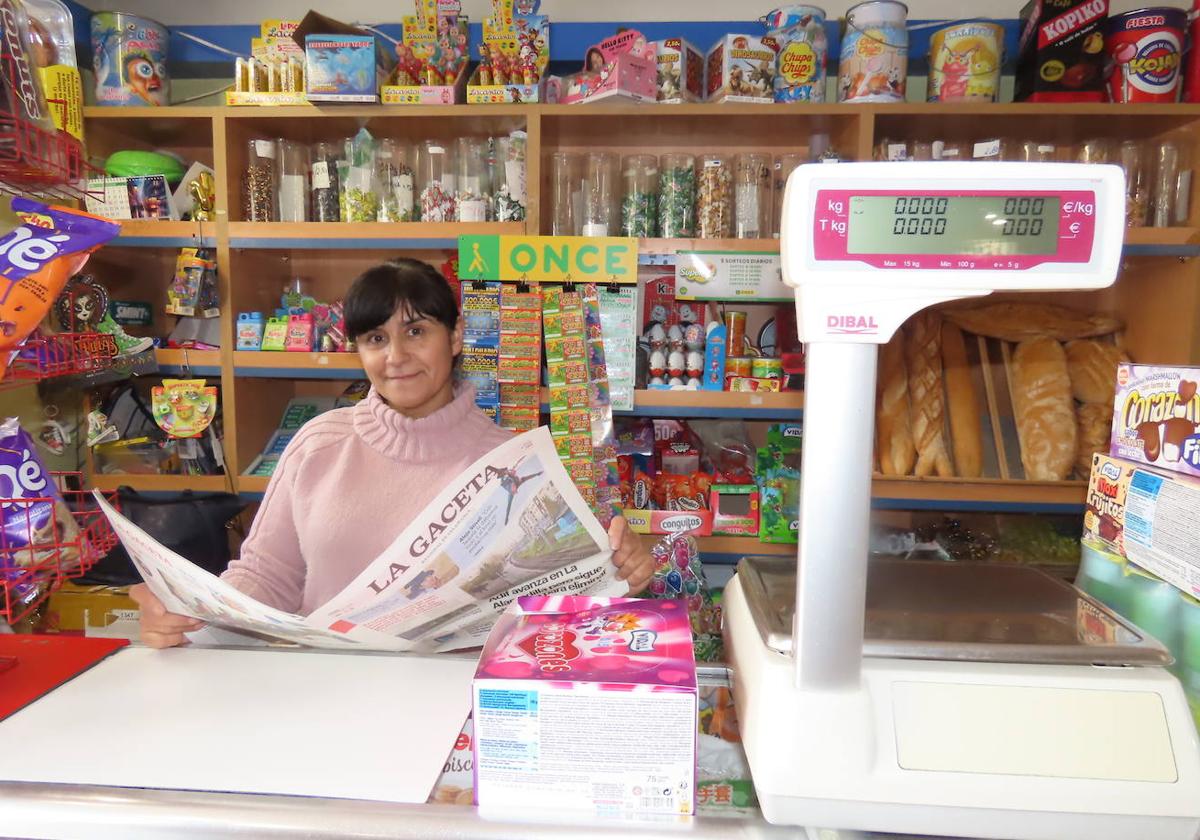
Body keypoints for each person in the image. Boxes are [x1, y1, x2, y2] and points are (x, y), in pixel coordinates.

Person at [133, 259, 655, 648]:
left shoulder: (512, 464)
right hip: (319, 697)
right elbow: (267, 576)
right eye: (375, 337)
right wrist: (191, 612)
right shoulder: (319, 444)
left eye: (416, 331)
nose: (396, 357)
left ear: (454, 339)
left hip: (447, 711)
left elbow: (551, 614)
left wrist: (620, 573)